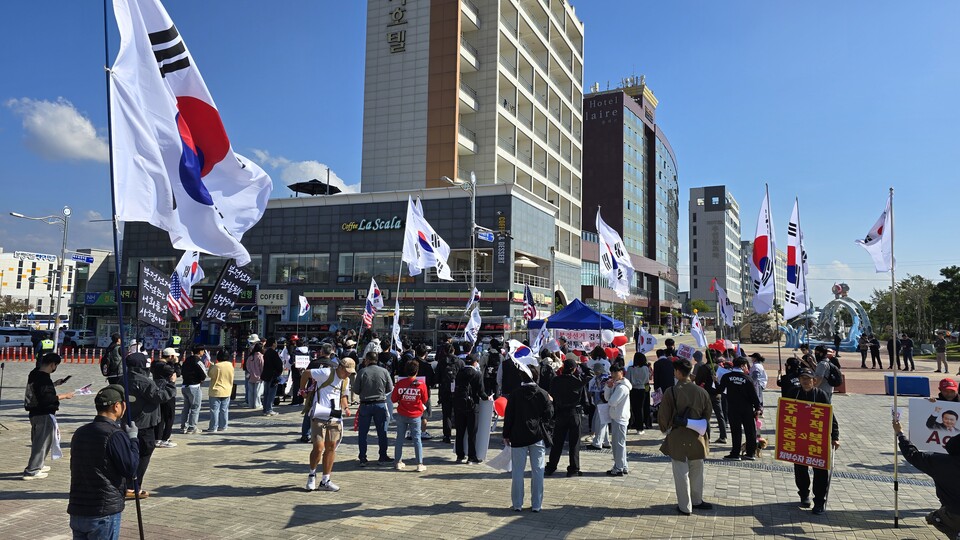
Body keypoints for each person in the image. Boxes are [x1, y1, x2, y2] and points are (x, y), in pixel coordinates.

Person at [68, 385, 140, 540]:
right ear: (117, 406)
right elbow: (131, 468)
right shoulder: (114, 434)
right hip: (103, 511)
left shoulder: (80, 432)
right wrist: (133, 440)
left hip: (78, 508)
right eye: (124, 404)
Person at [658, 358, 713, 516]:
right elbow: (707, 415)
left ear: (677, 372)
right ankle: (697, 500)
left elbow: (663, 416)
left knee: (681, 472)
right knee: (697, 470)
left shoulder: (671, 391)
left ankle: (685, 506)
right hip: (697, 436)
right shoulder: (701, 392)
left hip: (678, 436)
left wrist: (664, 428)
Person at [893, 419, 960, 538]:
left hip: (954, 512)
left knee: (935, 518)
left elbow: (912, 455)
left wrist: (900, 433)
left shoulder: (941, 463)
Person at [124, 352, 176, 498]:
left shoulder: (123, 379)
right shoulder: (144, 382)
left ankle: (126, 484)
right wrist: (171, 384)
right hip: (144, 424)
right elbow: (161, 396)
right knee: (143, 454)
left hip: (127, 422)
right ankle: (133, 486)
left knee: (128, 453)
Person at [789, 368, 840, 515]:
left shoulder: (821, 395)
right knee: (800, 468)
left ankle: (819, 501)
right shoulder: (794, 393)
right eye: (802, 378)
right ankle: (804, 494)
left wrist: (835, 437)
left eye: (808, 378)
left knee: (820, 470)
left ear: (814, 380)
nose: (805, 381)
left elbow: (831, 416)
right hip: (799, 438)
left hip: (818, 439)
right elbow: (786, 412)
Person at [502, 366, 553, 513]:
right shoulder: (543, 393)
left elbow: (509, 416)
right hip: (537, 435)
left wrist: (506, 434)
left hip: (518, 435)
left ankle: (517, 504)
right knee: (538, 470)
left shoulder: (515, 394)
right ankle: (537, 504)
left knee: (518, 471)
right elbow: (549, 415)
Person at [301, 357, 355, 492]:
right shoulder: (326, 373)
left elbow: (343, 396)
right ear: (340, 367)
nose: (347, 374)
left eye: (350, 372)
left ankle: (325, 480)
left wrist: (346, 408)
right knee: (318, 447)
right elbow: (306, 373)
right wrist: (302, 390)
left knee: (331, 448)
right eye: (346, 371)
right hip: (319, 414)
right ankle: (312, 474)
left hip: (335, 417)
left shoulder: (346, 380)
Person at [23, 353, 74, 479]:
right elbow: (47, 398)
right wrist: (65, 396)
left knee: (39, 441)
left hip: (34, 413)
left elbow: (39, 390)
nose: (55, 368)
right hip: (43, 414)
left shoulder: (35, 373)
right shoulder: (44, 379)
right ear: (52, 365)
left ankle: (38, 464)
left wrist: (54, 384)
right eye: (55, 365)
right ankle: (32, 470)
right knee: (41, 443)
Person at [545, 358, 588, 477]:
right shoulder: (578, 381)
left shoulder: (556, 380)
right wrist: (582, 365)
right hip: (574, 413)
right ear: (574, 369)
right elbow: (590, 375)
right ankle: (573, 468)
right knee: (574, 443)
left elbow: (551, 396)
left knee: (557, 442)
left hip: (560, 413)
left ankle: (551, 466)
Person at [718, 357, 761, 461]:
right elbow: (754, 395)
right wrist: (758, 407)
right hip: (747, 408)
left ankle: (735, 453)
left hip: (733, 408)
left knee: (736, 431)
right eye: (746, 365)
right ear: (742, 366)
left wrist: (715, 381)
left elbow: (720, 390)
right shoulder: (747, 378)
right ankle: (750, 453)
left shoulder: (726, 376)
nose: (747, 368)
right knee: (750, 431)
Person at [355, 351, 393, 466]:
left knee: (363, 433)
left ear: (367, 360)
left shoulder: (362, 372)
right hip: (380, 404)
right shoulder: (384, 371)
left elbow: (356, 390)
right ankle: (382, 456)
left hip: (365, 404)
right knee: (382, 431)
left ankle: (363, 457)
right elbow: (390, 388)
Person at [391, 359, 429, 472]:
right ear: (416, 371)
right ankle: (419, 463)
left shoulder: (400, 383)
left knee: (400, 438)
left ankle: (398, 462)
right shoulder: (421, 385)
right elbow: (425, 399)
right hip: (415, 415)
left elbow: (393, 399)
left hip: (402, 413)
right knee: (417, 439)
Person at [453, 353, 489, 464]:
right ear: (475, 362)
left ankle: (460, 455)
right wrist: (487, 398)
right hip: (472, 406)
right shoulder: (477, 374)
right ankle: (471, 456)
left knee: (460, 432)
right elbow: (481, 392)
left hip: (459, 404)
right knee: (472, 432)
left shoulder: (459, 373)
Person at [604, 364, 632, 476]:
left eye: (615, 372)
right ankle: (623, 466)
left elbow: (612, 402)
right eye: (612, 372)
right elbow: (607, 398)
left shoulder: (622, 387)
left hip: (620, 418)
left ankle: (619, 467)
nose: (613, 375)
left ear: (621, 372)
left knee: (618, 445)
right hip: (617, 417)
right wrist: (608, 387)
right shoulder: (617, 385)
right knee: (619, 444)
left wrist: (611, 391)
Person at [151, 348, 180, 448]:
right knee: (169, 417)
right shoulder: (166, 367)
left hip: (157, 392)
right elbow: (177, 373)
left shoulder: (155, 364)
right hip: (167, 392)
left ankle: (157, 438)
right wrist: (176, 363)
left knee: (160, 416)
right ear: (170, 356)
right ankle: (165, 438)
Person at [694, 357, 726, 444]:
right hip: (717, 394)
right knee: (720, 415)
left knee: (706, 415)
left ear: (707, 357)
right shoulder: (719, 368)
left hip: (706, 394)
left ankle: (708, 436)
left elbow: (697, 381)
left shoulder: (703, 368)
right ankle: (723, 436)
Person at [436, 343, 463, 444]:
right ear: (454, 350)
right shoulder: (460, 362)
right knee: (458, 413)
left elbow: (437, 378)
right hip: (458, 390)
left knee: (446, 413)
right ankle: (459, 434)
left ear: (444, 351)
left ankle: (447, 435)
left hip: (445, 390)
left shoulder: (441, 362)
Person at [179, 344, 207, 433]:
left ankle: (183, 426)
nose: (203, 352)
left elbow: (182, 371)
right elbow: (204, 374)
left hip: (185, 385)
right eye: (203, 350)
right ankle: (192, 427)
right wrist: (201, 379)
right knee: (195, 407)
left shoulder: (187, 360)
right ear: (200, 351)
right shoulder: (198, 361)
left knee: (186, 408)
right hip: (194, 386)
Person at [207, 350, 235, 432]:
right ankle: (223, 426)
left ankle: (213, 427)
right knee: (224, 409)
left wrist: (211, 366)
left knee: (214, 410)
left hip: (216, 390)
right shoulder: (230, 365)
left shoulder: (217, 366)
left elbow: (211, 375)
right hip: (227, 389)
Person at [413, 344, 436, 439]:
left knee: (412, 411)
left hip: (411, 390)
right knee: (424, 413)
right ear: (425, 353)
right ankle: (423, 431)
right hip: (424, 392)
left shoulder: (411, 364)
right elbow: (432, 381)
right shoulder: (427, 366)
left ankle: (412, 431)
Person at [627, 352, 652, 434]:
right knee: (641, 408)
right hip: (642, 389)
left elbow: (627, 379)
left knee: (633, 408)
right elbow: (647, 379)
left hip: (633, 389)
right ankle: (640, 428)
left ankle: (632, 424)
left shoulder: (630, 368)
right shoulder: (645, 368)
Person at [261, 337, 284, 416]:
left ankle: (265, 409)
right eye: (276, 342)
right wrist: (279, 372)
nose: (276, 344)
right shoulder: (273, 353)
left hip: (266, 375)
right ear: (273, 343)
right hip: (273, 375)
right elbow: (278, 364)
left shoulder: (266, 352)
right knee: (271, 393)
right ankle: (269, 409)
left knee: (266, 393)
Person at [245, 341, 265, 410]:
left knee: (250, 392)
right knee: (258, 392)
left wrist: (250, 372)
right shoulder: (261, 357)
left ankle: (251, 404)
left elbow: (247, 366)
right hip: (258, 377)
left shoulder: (250, 356)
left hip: (250, 376)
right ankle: (257, 404)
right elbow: (262, 367)